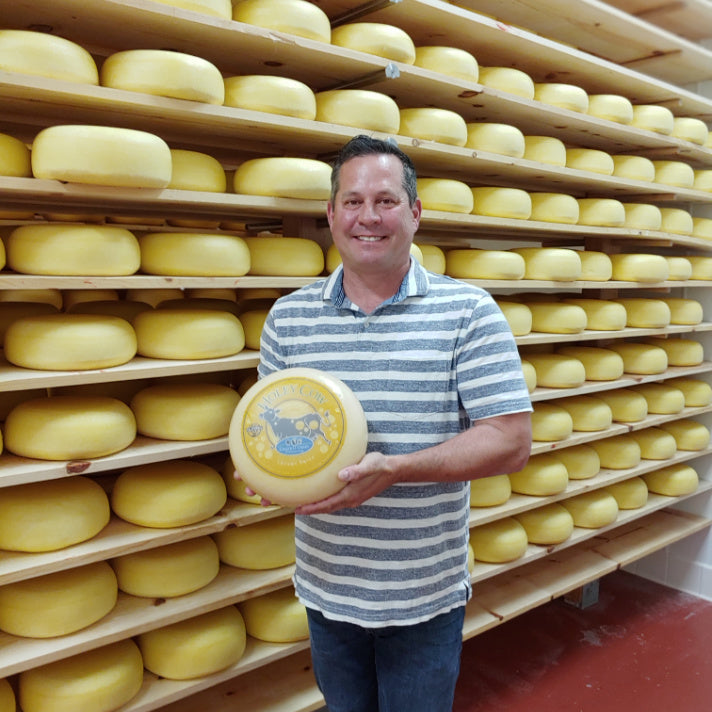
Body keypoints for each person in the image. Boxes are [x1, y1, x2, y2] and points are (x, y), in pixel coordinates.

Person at [243, 134, 532, 712]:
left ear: (416, 213)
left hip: (422, 594)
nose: (367, 217)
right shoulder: (289, 316)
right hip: (326, 586)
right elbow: (263, 426)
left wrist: (397, 470)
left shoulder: (469, 313)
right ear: (330, 215)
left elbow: (510, 442)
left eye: (386, 200)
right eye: (351, 202)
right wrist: (265, 472)